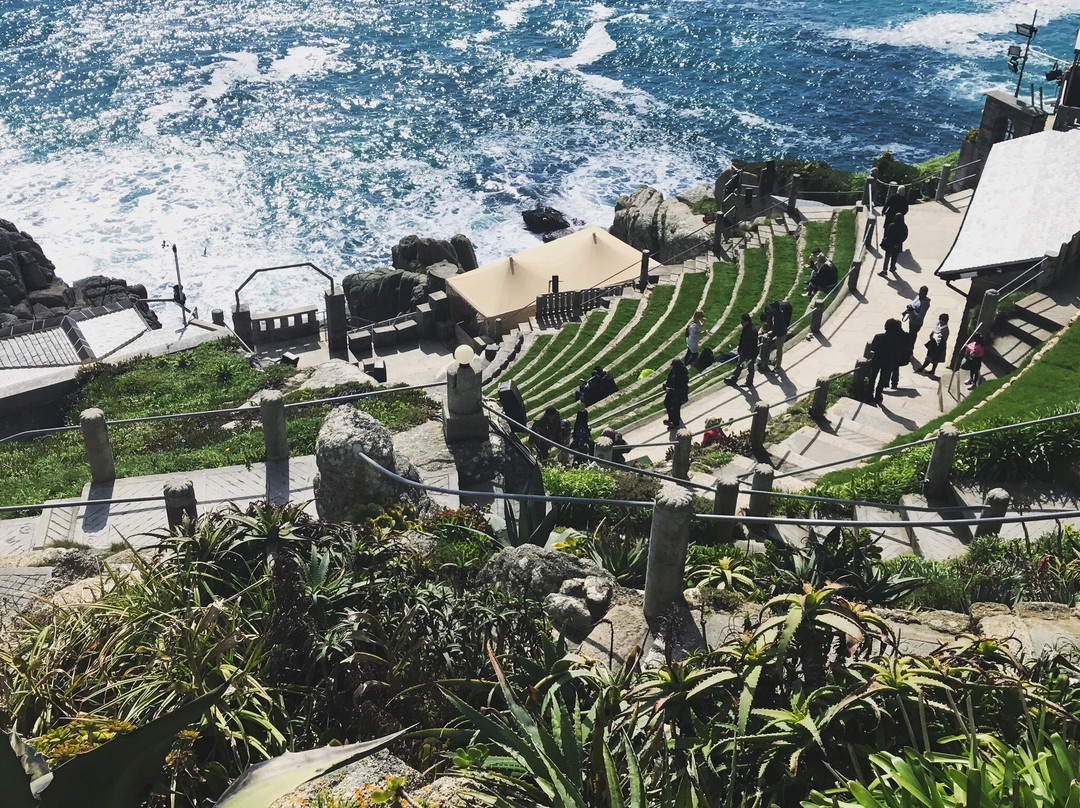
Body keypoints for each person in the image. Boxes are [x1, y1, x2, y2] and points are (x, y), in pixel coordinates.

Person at [868, 318, 905, 404]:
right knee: (882, 379)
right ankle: (878, 395)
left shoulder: (878, 336)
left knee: (872, 377)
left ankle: (869, 395)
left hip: (877, 360)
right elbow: (898, 352)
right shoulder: (897, 340)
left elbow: (873, 348)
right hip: (888, 362)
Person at [725, 313, 759, 388]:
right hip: (744, 352)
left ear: (747, 321)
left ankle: (749, 381)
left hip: (750, 354)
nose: (741, 323)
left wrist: (748, 357)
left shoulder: (752, 331)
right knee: (739, 365)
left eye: (742, 322)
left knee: (750, 367)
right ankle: (733, 378)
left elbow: (752, 345)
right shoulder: (746, 328)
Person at [759, 299, 792, 371]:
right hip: (780, 332)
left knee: (779, 350)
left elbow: (776, 329)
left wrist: (768, 335)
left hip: (781, 334)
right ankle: (775, 362)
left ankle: (778, 367)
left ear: (774, 308)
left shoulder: (777, 316)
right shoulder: (776, 312)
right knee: (777, 347)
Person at [662, 357, 690, 427]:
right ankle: (672, 418)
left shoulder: (682, 375)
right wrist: (666, 386)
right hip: (671, 392)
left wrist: (670, 390)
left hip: (679, 395)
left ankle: (675, 423)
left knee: (675, 407)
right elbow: (670, 379)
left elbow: (681, 389)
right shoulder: (674, 370)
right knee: (667, 403)